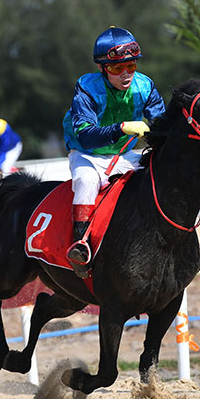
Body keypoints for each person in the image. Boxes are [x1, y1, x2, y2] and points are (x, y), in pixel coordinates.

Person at [62, 26, 165, 277]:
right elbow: (86, 136)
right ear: (102, 68)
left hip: (125, 156)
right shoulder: (86, 88)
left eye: (131, 66)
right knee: (86, 181)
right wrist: (121, 128)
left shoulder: (145, 86)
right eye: (117, 68)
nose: (126, 74)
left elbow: (162, 125)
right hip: (87, 155)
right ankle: (81, 245)